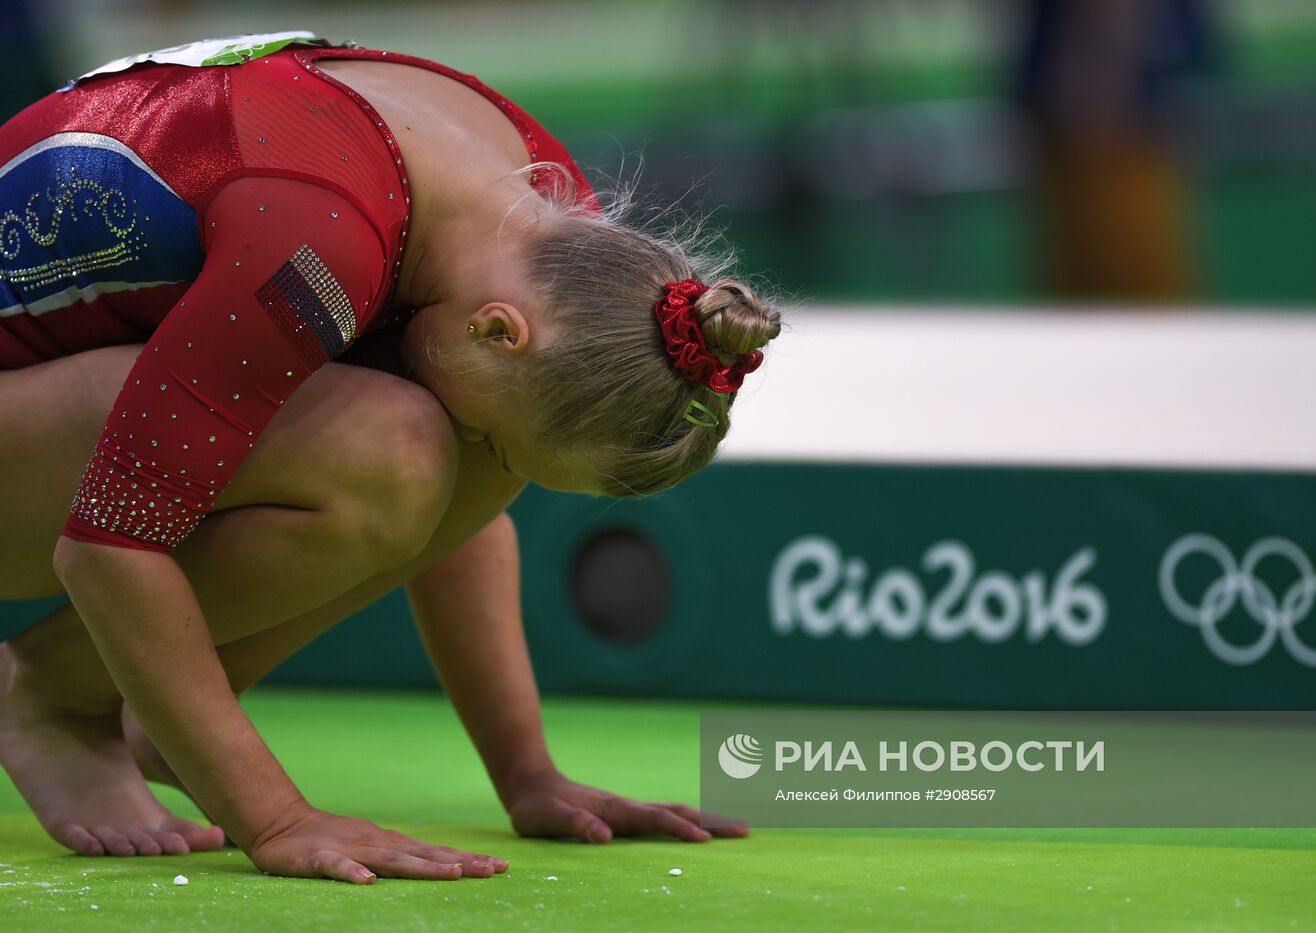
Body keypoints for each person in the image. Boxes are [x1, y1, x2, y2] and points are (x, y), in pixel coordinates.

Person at [0, 33, 775, 884]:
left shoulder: (548, 238)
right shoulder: (313, 250)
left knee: (427, 441)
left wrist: (528, 772)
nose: (480, 466)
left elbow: (466, 511)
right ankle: (56, 698)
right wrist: (274, 816)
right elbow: (109, 544)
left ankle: (155, 708)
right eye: (493, 444)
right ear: (496, 330)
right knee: (395, 445)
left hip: (56, 396)